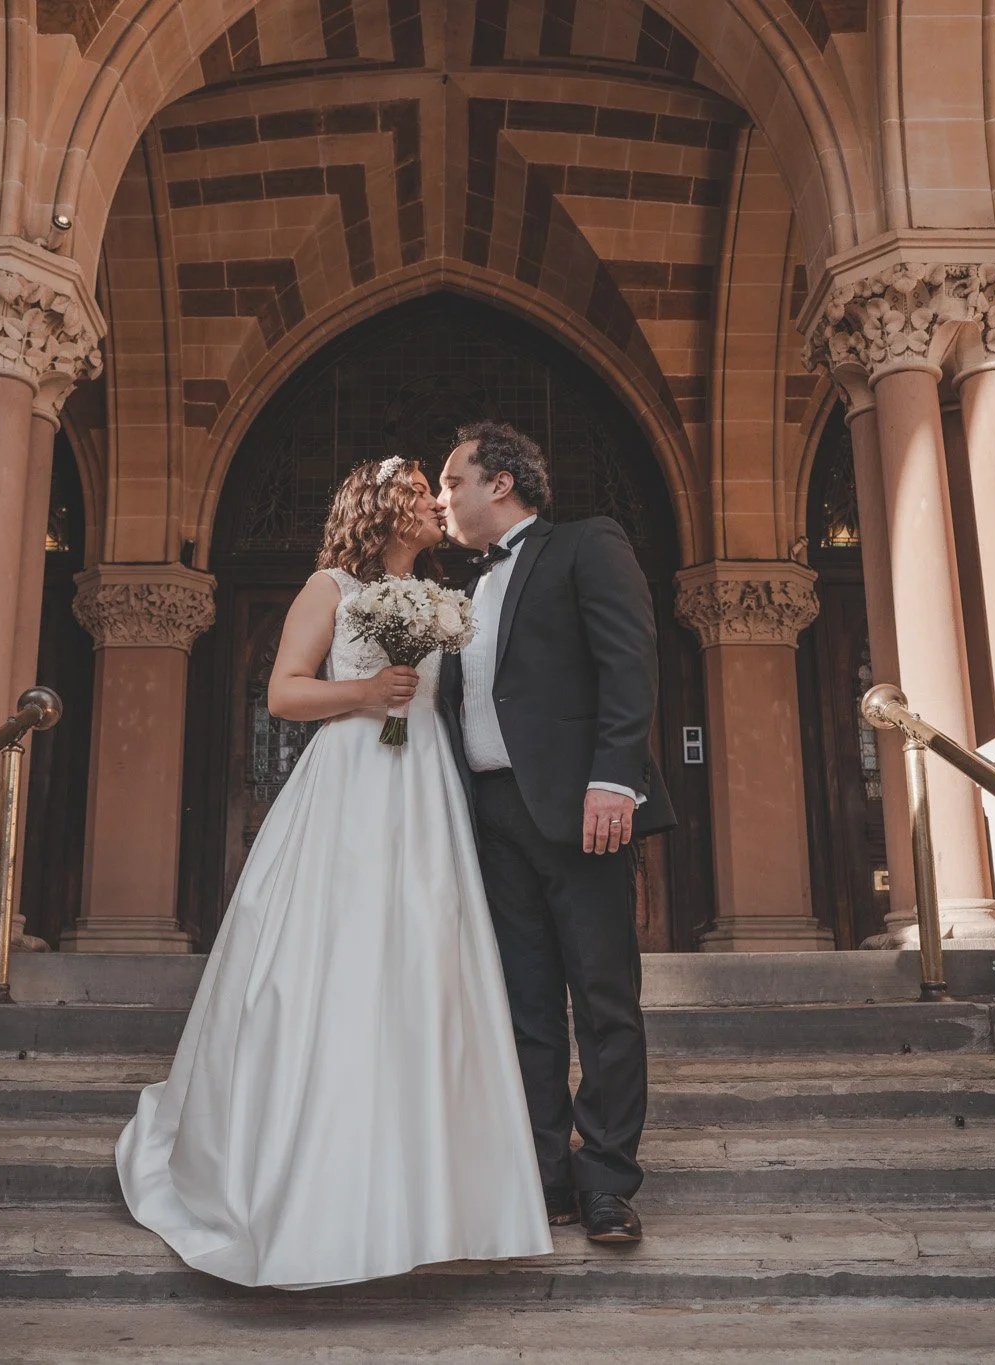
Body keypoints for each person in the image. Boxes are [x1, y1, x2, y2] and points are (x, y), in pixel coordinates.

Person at [115, 456, 552, 1290]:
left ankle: (436, 1197)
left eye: (436, 493)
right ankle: (309, 1179)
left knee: (425, 965)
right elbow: (283, 694)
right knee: (335, 961)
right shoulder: (331, 588)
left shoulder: (438, 599)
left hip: (425, 795)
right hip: (351, 782)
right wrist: (362, 694)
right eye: (419, 493)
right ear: (381, 507)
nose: (434, 504)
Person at [436, 420, 674, 1245]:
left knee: (604, 996)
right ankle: (547, 1176)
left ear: (500, 483)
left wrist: (616, 778)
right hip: (493, 816)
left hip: (581, 808)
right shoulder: (461, 590)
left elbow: (629, 659)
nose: (443, 498)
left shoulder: (586, 545)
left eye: (453, 481)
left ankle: (607, 1177)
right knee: (528, 1005)